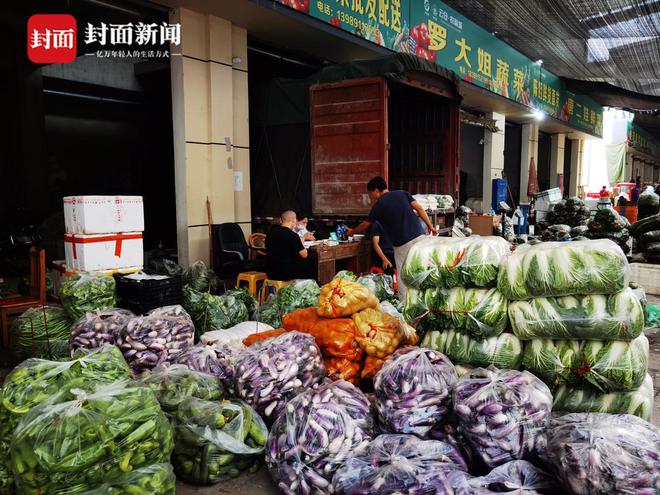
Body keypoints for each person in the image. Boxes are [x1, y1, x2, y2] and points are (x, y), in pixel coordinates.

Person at [350, 176, 438, 300]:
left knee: (403, 274)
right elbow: (419, 208)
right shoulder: (403, 193)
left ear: (376, 190)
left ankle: (404, 304)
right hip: (420, 237)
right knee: (421, 269)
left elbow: (366, 224)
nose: (371, 197)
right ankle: (426, 299)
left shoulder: (379, 205)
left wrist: (351, 232)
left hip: (403, 244)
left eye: (370, 194)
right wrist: (430, 226)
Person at [265, 210, 309, 281]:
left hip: (270, 273)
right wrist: (303, 238)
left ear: (281, 220)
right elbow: (304, 255)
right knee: (310, 262)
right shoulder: (293, 235)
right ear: (294, 220)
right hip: (287, 274)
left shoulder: (270, 233)